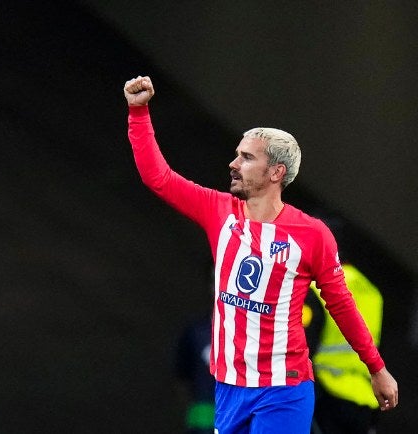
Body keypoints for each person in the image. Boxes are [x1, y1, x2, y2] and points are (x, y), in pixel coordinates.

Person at [124, 74, 398, 434]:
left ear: (275, 172)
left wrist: (376, 368)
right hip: (228, 385)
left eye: (246, 157)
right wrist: (138, 113)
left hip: (283, 387)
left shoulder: (312, 234)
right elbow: (157, 177)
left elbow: (342, 305)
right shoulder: (218, 210)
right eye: (237, 155)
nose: (233, 163)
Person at [305, 261, 384, 434]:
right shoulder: (369, 290)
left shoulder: (316, 289)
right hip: (364, 398)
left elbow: (302, 349)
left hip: (325, 397)